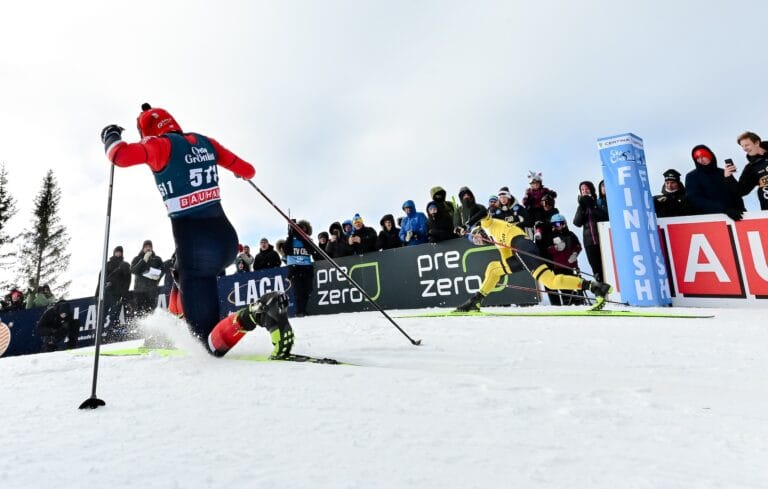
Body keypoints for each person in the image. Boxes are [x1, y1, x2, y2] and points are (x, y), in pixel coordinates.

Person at [101, 103, 283, 357]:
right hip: (227, 243)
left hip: (198, 251)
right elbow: (248, 170)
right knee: (180, 272)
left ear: (147, 132)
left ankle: (256, 313)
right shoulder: (203, 141)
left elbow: (119, 156)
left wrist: (110, 135)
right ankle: (182, 317)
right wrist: (237, 172)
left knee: (207, 344)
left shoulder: (159, 146)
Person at [454, 210, 612, 312]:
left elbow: (480, 210)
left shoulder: (489, 225)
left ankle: (475, 301)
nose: (478, 241)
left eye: (475, 238)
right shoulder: (496, 242)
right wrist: (495, 278)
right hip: (524, 250)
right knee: (549, 281)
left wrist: (466, 225)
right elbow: (505, 264)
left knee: (495, 269)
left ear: (478, 230)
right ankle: (594, 286)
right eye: (475, 243)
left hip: (522, 246)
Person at [685, 144, 745, 220]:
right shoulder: (692, 176)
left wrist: (742, 210)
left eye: (703, 156)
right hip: (707, 220)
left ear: (710, 156)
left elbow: (736, 194)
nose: (701, 160)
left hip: (733, 217)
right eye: (697, 158)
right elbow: (695, 199)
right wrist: (724, 209)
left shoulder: (723, 172)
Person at [573, 181, 609, 282]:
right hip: (589, 243)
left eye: (587, 189)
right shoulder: (581, 206)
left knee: (607, 267)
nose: (585, 191)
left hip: (602, 240)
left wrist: (592, 205)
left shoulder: (598, 202)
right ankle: (602, 295)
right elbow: (577, 223)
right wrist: (582, 207)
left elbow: (605, 217)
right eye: (582, 190)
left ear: (591, 190)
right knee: (596, 271)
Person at [546, 214, 584, 306]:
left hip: (571, 265)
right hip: (558, 266)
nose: (557, 226)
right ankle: (567, 300)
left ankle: (579, 299)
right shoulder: (551, 236)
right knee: (563, 283)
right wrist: (556, 248)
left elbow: (578, 246)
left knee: (575, 281)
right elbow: (547, 249)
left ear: (564, 224)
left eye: (559, 224)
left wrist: (575, 253)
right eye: (555, 225)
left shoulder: (570, 235)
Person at [283, 220, 316, 317]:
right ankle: (299, 311)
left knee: (308, 290)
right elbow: (286, 251)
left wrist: (303, 239)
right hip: (295, 268)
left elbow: (311, 251)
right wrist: (289, 236)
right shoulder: (290, 240)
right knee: (298, 291)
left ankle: (303, 310)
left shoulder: (308, 239)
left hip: (307, 267)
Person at [96, 246, 131, 336]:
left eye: (120, 252)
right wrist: (97, 294)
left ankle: (110, 334)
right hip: (106, 294)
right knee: (101, 316)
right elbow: (100, 280)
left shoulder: (125, 265)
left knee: (114, 316)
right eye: (117, 252)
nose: (118, 253)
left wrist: (123, 294)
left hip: (117, 295)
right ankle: (99, 335)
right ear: (114, 252)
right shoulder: (107, 264)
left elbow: (127, 281)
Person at [130, 240, 164, 317]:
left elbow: (162, 270)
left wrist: (159, 276)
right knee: (139, 313)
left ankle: (151, 328)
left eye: (149, 246)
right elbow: (133, 270)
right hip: (139, 291)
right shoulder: (137, 258)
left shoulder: (157, 259)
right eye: (146, 247)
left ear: (152, 248)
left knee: (151, 313)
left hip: (152, 291)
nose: (148, 248)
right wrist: (144, 260)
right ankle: (139, 328)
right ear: (143, 248)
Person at [735, 131, 768, 210]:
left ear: (756, 143)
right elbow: (741, 190)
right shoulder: (750, 168)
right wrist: (728, 176)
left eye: (747, 145)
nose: (744, 149)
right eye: (742, 146)